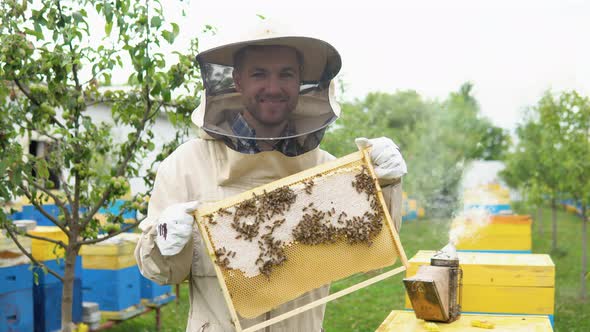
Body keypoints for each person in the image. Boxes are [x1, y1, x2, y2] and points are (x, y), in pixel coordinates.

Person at [134, 29, 407, 332]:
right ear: (238, 81)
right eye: (259, 74)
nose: (273, 87)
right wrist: (163, 239)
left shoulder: (328, 170)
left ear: (300, 81)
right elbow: (162, 272)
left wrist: (386, 184)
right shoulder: (186, 166)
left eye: (285, 74)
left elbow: (373, 246)